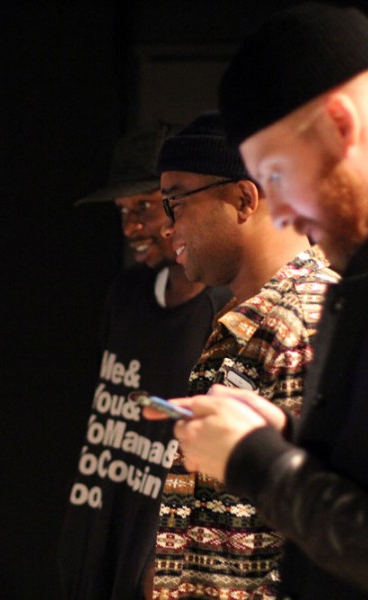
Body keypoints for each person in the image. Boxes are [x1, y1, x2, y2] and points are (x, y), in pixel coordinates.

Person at [148, 3, 368, 599]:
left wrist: (262, 464)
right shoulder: (366, 282)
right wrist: (289, 439)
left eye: (277, 176)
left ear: (340, 125)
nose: (278, 213)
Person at [149, 111, 339, 599]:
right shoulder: (248, 316)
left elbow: (321, 531)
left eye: (175, 203)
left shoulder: (307, 320)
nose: (166, 227)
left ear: (243, 198)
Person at [58, 125, 231, 599]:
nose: (131, 227)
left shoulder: (224, 313)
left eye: (144, 207)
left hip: (162, 555)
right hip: (103, 522)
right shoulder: (127, 294)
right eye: (123, 212)